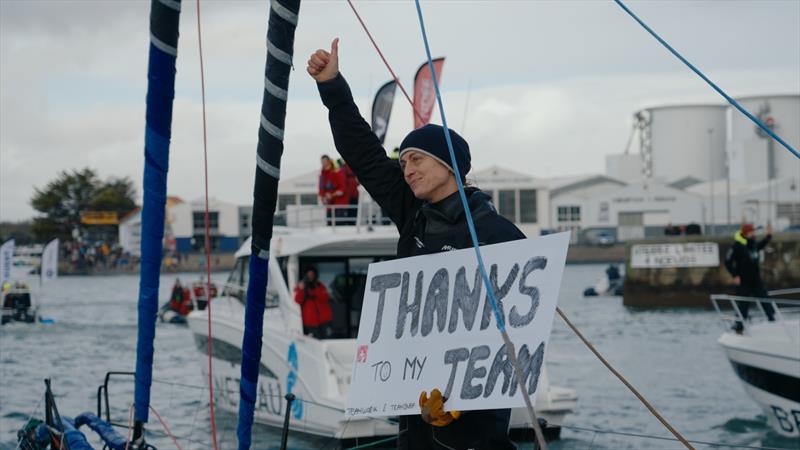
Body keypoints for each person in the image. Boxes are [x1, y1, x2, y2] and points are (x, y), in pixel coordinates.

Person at [308, 38, 521, 450]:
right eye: (403, 161)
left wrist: (464, 401)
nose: (406, 169)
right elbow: (364, 153)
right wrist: (331, 86)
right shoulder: (412, 213)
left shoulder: (499, 235)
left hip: (474, 423)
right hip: (415, 411)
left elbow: (515, 334)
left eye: (416, 159)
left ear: (449, 164)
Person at [724, 223, 774, 333]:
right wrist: (735, 275)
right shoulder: (736, 246)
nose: (753, 234)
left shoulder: (753, 244)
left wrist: (768, 236)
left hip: (756, 279)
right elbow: (727, 262)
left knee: (764, 298)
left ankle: (772, 320)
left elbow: (760, 245)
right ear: (746, 233)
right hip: (744, 280)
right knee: (743, 304)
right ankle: (739, 325)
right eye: (751, 232)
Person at [294, 267, 333, 339]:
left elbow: (325, 297)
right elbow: (297, 300)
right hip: (310, 322)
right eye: (308, 275)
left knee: (328, 339)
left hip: (324, 320)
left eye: (312, 275)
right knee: (314, 342)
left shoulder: (319, 286)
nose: (310, 277)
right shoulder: (301, 287)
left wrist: (315, 291)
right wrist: (302, 289)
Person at [319, 154, 348, 224]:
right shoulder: (322, 175)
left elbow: (342, 189)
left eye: (325, 161)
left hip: (339, 205)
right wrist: (323, 198)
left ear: (329, 161)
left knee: (339, 226)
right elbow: (321, 189)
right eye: (322, 161)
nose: (324, 163)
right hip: (329, 206)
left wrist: (331, 195)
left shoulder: (337, 172)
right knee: (330, 225)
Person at [338, 158, 360, 223]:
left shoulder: (354, 166)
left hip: (354, 194)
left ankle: (352, 222)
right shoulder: (343, 168)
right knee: (347, 210)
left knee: (353, 209)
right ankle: (347, 222)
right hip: (346, 195)